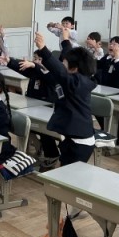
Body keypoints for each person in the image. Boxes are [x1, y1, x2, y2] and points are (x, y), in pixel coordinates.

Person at [34, 29, 97, 167]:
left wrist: (43, 49)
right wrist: (65, 40)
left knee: (70, 176)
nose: (62, 65)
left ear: (74, 68)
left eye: (65, 64)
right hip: (72, 138)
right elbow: (68, 61)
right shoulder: (78, 78)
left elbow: (60, 72)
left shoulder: (78, 83)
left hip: (80, 143)